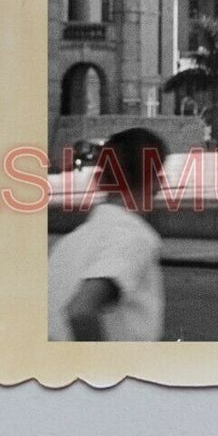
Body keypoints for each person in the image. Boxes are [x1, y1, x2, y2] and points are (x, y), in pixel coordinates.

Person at [48, 127, 169, 341]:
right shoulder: (132, 237)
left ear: (99, 179)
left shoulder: (67, 244)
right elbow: (81, 310)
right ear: (157, 182)